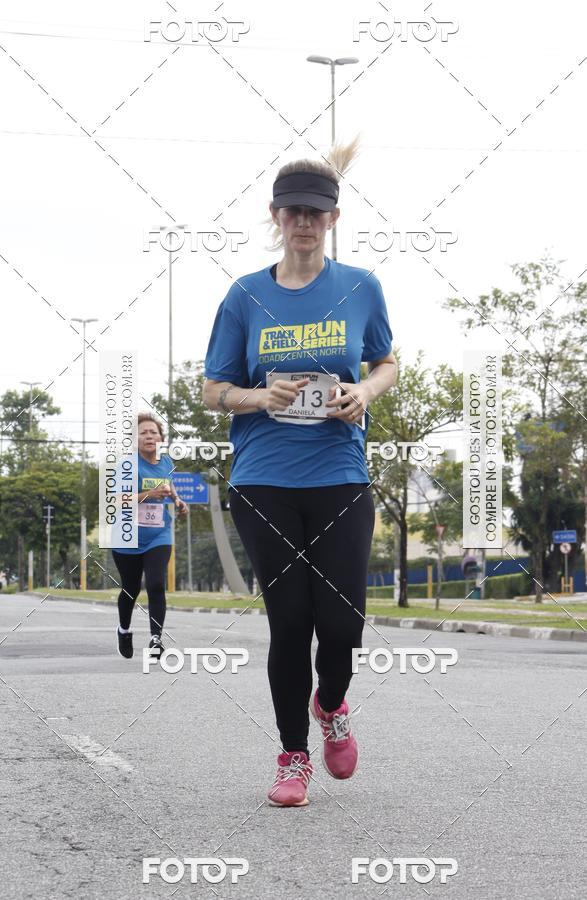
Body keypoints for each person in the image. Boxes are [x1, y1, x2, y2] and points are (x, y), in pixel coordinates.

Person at [202, 138, 397, 807]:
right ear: (275, 216)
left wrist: (364, 394)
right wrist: (260, 397)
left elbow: (387, 362)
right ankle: (292, 758)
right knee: (290, 623)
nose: (305, 222)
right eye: (293, 211)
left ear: (333, 219)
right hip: (263, 479)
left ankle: (332, 704)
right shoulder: (246, 295)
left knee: (341, 624)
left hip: (339, 472)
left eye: (316, 212)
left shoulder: (361, 288)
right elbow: (211, 388)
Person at [112, 413, 188, 659]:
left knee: (155, 583)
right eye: (143, 433)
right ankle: (124, 630)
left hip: (159, 534)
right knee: (130, 589)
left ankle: (156, 639)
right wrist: (148, 494)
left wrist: (177, 500)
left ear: (161, 438)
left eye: (153, 432)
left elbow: (169, 485)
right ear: (134, 440)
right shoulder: (126, 465)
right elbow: (116, 500)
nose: (148, 436)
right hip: (127, 536)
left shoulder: (166, 462)